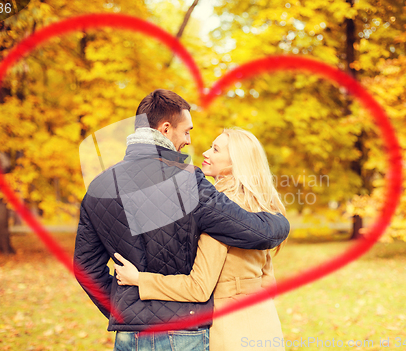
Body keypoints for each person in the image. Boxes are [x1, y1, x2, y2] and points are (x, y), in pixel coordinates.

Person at [73, 89, 290, 351]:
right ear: (166, 129)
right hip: (183, 332)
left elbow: (84, 268)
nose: (189, 141)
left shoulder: (98, 187)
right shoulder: (188, 182)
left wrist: (124, 308)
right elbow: (256, 232)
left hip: (129, 335)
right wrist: (281, 222)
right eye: (186, 131)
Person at [114, 127, 287, 351]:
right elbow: (268, 282)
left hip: (230, 330)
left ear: (236, 163)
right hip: (265, 325)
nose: (206, 152)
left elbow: (198, 288)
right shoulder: (261, 206)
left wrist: (139, 279)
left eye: (215, 149)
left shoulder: (220, 211)